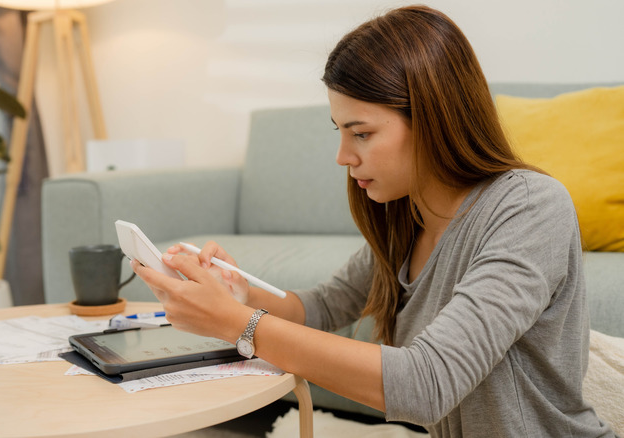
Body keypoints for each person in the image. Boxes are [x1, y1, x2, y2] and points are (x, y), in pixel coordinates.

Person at [131, 5, 615, 437]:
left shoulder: (530, 207)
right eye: (341, 131)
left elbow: (427, 383)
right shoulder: (408, 215)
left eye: (361, 133)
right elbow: (321, 307)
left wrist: (240, 324)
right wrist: (238, 291)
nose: (343, 156)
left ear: (433, 118)